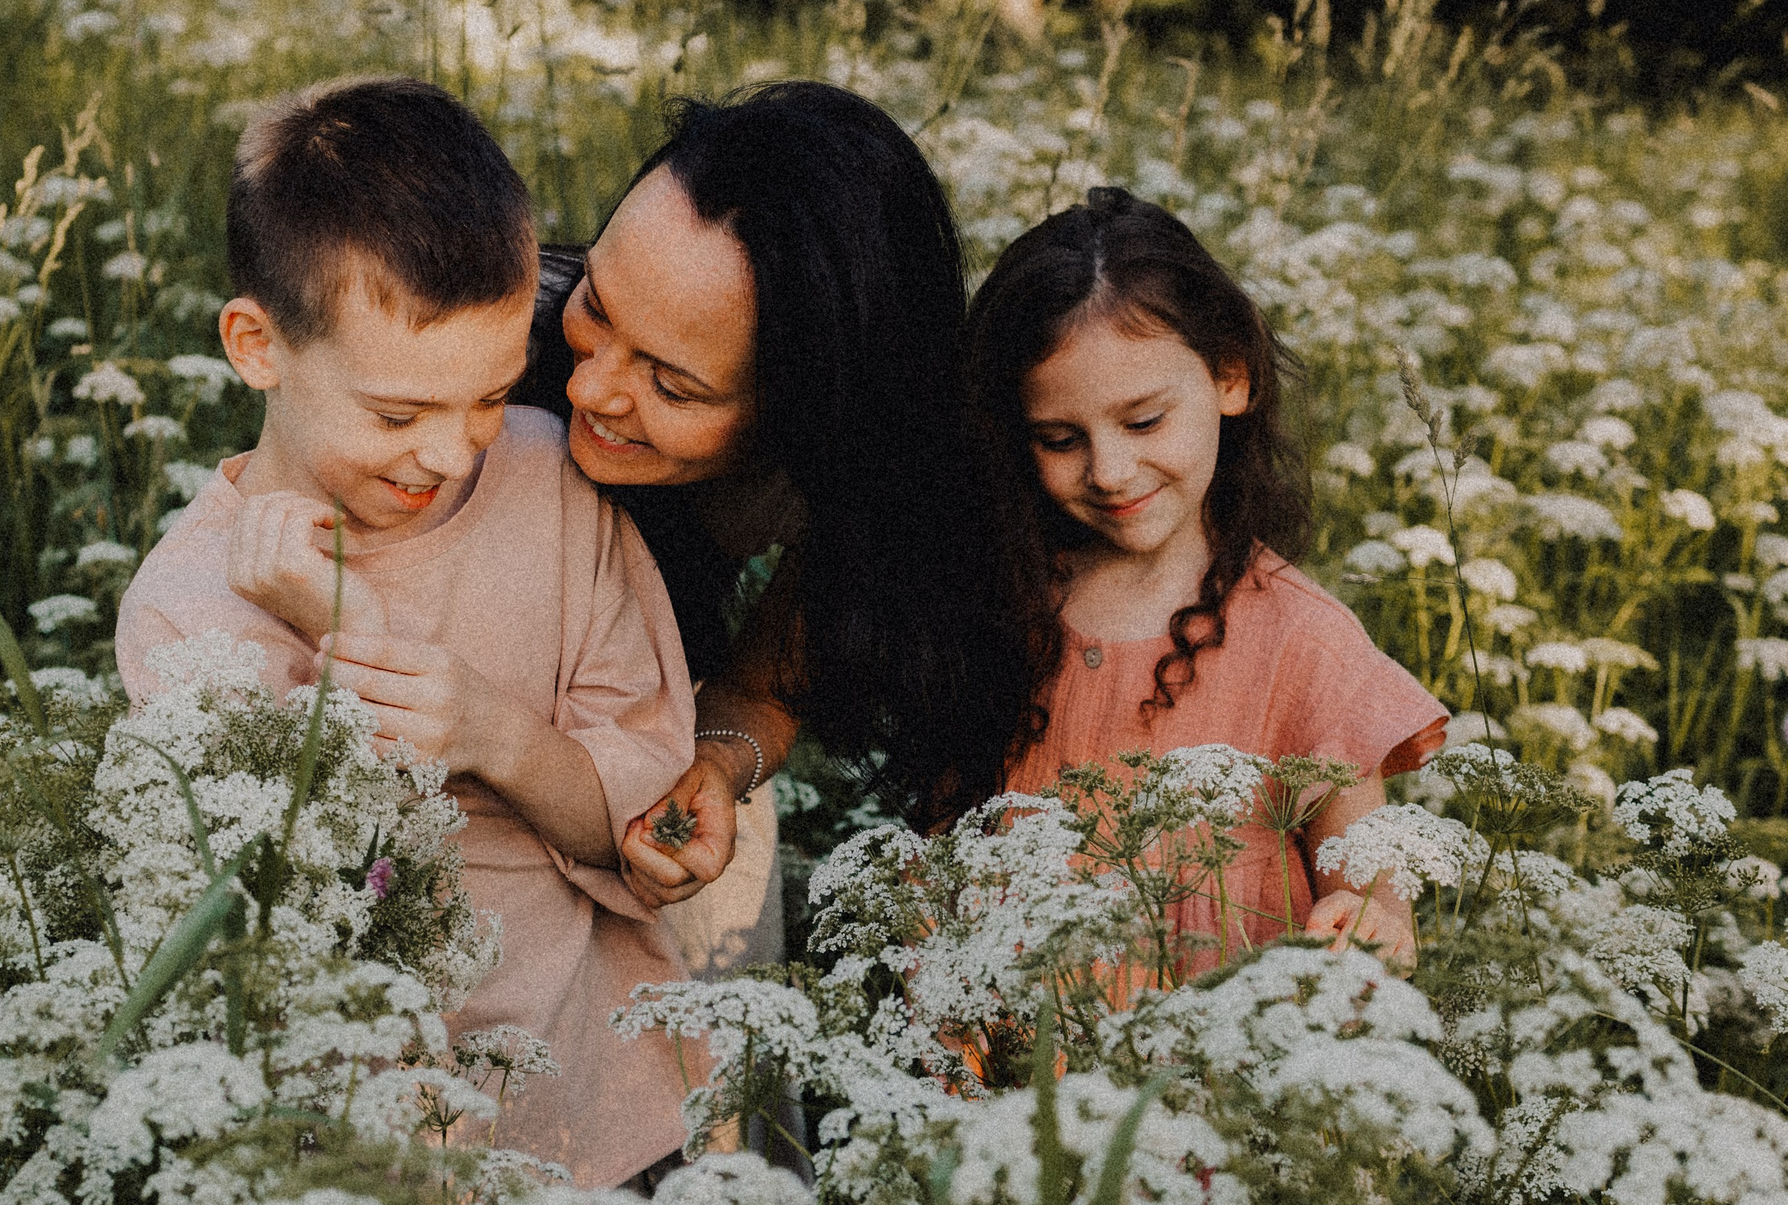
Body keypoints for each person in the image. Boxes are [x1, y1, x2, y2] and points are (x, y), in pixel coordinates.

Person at [114, 76, 695, 1191]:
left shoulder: (553, 485)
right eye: (397, 415)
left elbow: (651, 822)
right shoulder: (189, 608)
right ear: (257, 345)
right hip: (379, 1172)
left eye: (488, 396)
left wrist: (495, 735)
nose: (451, 453)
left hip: (613, 1118)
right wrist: (349, 631)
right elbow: (303, 916)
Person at [516, 83, 1052, 950]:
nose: (590, 387)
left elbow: (760, 689)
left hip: (646, 779)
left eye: (672, 384)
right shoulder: (474, 341)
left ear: (804, 418)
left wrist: (718, 768)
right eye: (598, 307)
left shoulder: (849, 487)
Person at [970, 186, 1448, 976]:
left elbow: (1373, 893)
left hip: (1214, 1073)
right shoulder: (1003, 603)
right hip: (1010, 1064)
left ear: (1231, 377)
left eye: (1144, 421)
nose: (1110, 470)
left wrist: (1366, 925)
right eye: (1060, 438)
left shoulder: (1303, 642)